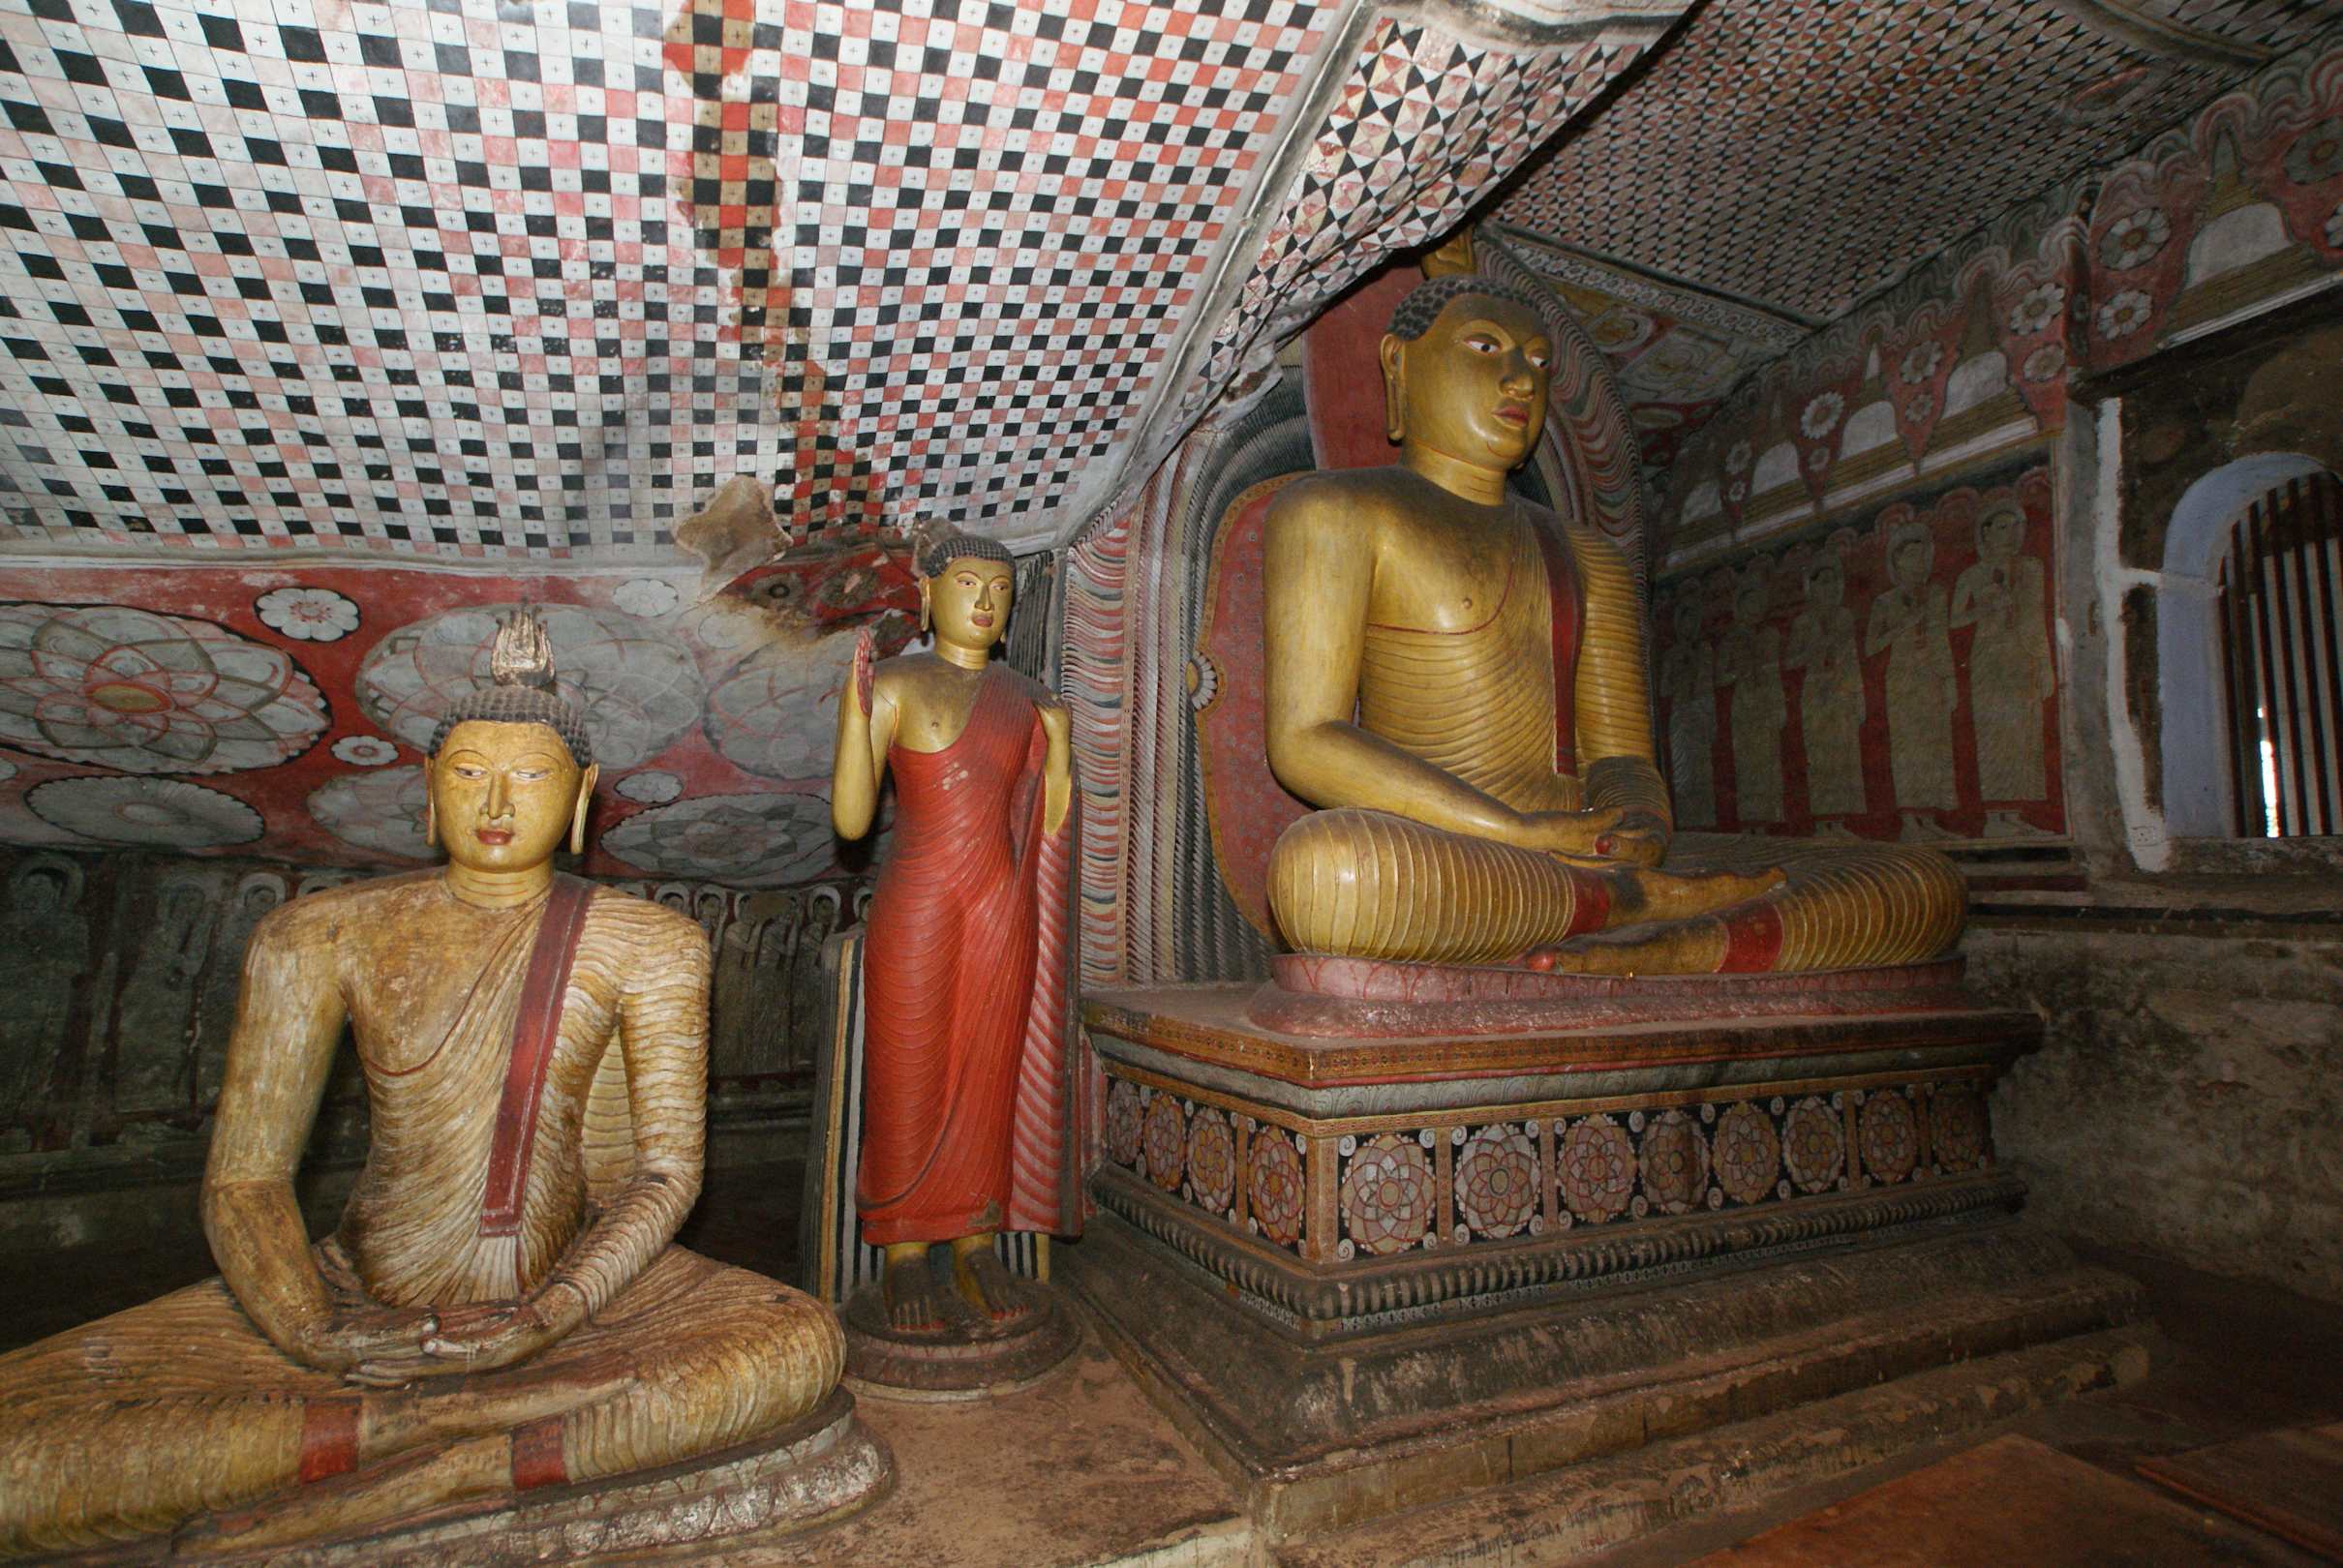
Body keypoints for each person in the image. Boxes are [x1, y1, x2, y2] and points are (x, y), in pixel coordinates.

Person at [0, 610, 847, 1558]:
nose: (498, 801)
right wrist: (313, 1330)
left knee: (796, 1344)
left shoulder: (651, 944)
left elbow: (662, 1175)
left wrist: (552, 1312)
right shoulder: (320, 935)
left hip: (578, 1292)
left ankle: (447, 1467)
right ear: (428, 789)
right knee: (16, 1455)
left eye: (532, 776)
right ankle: (439, 1432)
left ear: (583, 797)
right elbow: (245, 1181)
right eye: (469, 773)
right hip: (360, 1298)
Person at [1259, 276, 1964, 974]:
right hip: (1453, 853)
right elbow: (1306, 741)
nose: (1521, 379)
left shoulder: (1587, 554)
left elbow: (1621, 758)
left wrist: (1640, 828)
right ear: (1399, 364)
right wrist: (1513, 831)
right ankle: (1645, 915)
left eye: (1539, 362)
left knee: (1919, 884)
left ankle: (1657, 934)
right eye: (1485, 347)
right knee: (1325, 875)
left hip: (1583, 852)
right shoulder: (1335, 511)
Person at [831, 537, 1078, 1332]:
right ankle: (904, 1251)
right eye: (967, 582)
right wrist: (855, 713)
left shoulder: (1028, 698)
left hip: (1001, 904)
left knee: (988, 1069)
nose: (985, 601)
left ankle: (976, 1241)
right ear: (927, 593)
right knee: (907, 1066)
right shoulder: (897, 684)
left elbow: (1051, 827)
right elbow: (851, 822)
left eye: (1000, 588)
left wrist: (1061, 748)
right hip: (920, 899)